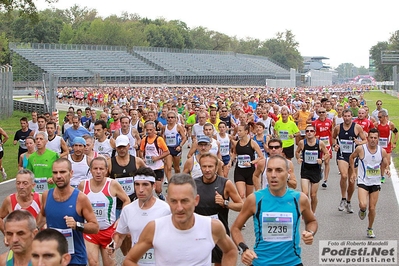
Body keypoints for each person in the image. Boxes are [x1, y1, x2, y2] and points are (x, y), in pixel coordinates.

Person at [123, 173, 238, 266]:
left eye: (184, 201)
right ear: (167, 200)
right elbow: (129, 261)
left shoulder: (212, 226)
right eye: (173, 201)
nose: (179, 208)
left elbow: (230, 251)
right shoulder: (154, 228)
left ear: (196, 200)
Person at [231, 155, 318, 266]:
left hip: (292, 263)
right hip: (261, 262)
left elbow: (311, 221)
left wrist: (310, 233)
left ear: (288, 173)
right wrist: (244, 249)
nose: (273, 175)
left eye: (279, 170)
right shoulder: (255, 199)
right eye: (269, 170)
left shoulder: (299, 199)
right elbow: (235, 228)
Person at [36, 158, 99, 265]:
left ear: (71, 173)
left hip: (75, 259)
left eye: (63, 172)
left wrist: (77, 225)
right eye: (55, 173)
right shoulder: (46, 195)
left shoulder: (81, 198)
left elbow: (95, 227)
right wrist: (34, 231)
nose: (58, 176)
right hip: (53, 258)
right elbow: (42, 216)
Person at [107, 167, 171, 265]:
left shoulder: (165, 209)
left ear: (153, 186)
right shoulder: (128, 209)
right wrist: (113, 245)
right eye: (137, 184)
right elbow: (119, 236)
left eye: (145, 185)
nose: (140, 190)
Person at [78, 157, 130, 266]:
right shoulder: (83, 185)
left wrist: (121, 218)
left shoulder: (113, 184)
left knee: (109, 264)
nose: (98, 172)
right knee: (93, 263)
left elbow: (126, 200)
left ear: (106, 170)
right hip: (90, 232)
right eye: (95, 168)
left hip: (108, 231)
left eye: (101, 169)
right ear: (90, 170)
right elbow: (77, 205)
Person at [194, 153, 243, 265]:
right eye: (204, 166)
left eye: (210, 166)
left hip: (219, 233)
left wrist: (225, 203)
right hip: (198, 232)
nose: (207, 170)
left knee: (219, 262)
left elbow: (241, 206)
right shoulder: (194, 184)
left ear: (216, 167)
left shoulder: (225, 184)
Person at [108, 135, 146, 255]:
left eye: (124, 147)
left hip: (134, 203)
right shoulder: (110, 163)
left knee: (130, 234)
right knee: (120, 234)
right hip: (117, 205)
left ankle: (130, 255)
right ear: (116, 148)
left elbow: (147, 175)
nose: (122, 150)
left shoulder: (137, 161)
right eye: (119, 147)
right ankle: (127, 255)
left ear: (129, 146)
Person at [349, 128, 389, 238]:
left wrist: (386, 169)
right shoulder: (361, 149)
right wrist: (353, 172)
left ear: (378, 139)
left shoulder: (382, 151)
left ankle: (370, 228)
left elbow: (385, 162)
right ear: (367, 138)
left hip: (375, 182)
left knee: (372, 208)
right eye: (371, 137)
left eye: (375, 138)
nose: (373, 140)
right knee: (363, 204)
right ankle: (362, 210)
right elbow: (351, 158)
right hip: (363, 181)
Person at [332, 109, 366, 213]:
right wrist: (335, 145)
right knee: (344, 175)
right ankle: (343, 198)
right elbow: (333, 138)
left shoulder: (357, 127)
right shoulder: (338, 128)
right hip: (342, 155)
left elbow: (365, 140)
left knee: (352, 181)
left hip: (353, 156)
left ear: (352, 116)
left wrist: (359, 142)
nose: (347, 118)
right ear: (342, 117)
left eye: (348, 116)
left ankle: (349, 201)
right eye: (345, 116)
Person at [295, 125, 329, 214]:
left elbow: (327, 153)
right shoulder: (302, 143)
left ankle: (313, 213)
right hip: (305, 170)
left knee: (313, 195)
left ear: (315, 133)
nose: (309, 133)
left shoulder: (319, 143)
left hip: (315, 171)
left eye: (311, 131)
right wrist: (298, 158)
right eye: (307, 131)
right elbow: (297, 152)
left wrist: (321, 160)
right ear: (305, 133)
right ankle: (306, 212)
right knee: (305, 194)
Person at [0, 169, 41, 234]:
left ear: (33, 185)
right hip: (18, 242)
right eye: (18, 183)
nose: (21, 187)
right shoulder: (10, 200)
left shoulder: (40, 199)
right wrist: (7, 235)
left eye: (25, 183)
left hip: (38, 242)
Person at [231, 124, 264, 199]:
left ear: (246, 131)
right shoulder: (237, 143)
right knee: (241, 195)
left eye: (240, 131)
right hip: (239, 171)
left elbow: (261, 156)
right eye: (237, 131)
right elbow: (235, 153)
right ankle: (242, 210)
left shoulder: (252, 143)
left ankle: (248, 209)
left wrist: (251, 162)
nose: (238, 133)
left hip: (250, 171)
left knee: (249, 197)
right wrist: (230, 162)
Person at [139, 121, 170, 200]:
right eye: (147, 130)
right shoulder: (144, 140)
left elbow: (167, 152)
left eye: (150, 130)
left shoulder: (159, 139)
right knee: (147, 187)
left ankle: (161, 197)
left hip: (158, 167)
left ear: (154, 129)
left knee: (158, 189)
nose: (149, 132)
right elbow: (141, 151)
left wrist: (157, 158)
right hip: (148, 167)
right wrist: (142, 158)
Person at [312, 107, 333, 188]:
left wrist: (332, 143)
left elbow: (331, 132)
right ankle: (320, 170)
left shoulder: (329, 122)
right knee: (319, 162)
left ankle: (325, 180)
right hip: (318, 144)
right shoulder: (315, 123)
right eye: (320, 112)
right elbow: (312, 132)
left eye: (323, 112)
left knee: (327, 162)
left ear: (326, 113)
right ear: (317, 113)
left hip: (327, 145)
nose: (321, 114)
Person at [163, 111, 187, 182]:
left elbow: (184, 138)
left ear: (175, 119)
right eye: (169, 117)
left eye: (172, 117)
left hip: (176, 148)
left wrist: (180, 146)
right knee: (169, 167)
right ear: (167, 119)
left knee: (176, 168)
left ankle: (178, 181)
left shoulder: (178, 127)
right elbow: (163, 137)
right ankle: (170, 183)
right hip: (168, 149)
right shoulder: (165, 127)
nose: (170, 119)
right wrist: (164, 148)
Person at [376, 110, 398, 181]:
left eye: (380, 117)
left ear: (385, 117)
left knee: (387, 162)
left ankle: (384, 171)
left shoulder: (390, 124)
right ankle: (382, 176)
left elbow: (396, 133)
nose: (379, 118)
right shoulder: (376, 124)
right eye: (378, 117)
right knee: (381, 161)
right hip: (379, 146)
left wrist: (394, 143)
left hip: (387, 146)